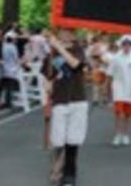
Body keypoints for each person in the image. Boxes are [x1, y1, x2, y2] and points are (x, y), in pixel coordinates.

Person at [43, 29, 88, 186]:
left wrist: (59, 47)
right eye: (63, 31)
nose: (65, 34)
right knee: (58, 139)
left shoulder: (78, 49)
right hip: (60, 99)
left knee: (73, 140)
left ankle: (69, 175)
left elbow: (75, 65)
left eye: (69, 31)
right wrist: (47, 84)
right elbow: (47, 75)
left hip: (77, 98)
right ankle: (57, 165)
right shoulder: (51, 53)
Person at [107, 39, 131, 147]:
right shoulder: (116, 58)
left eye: (128, 45)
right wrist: (107, 88)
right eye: (124, 45)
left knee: (128, 114)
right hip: (119, 88)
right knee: (118, 113)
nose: (126, 47)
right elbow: (110, 74)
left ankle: (125, 134)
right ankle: (117, 135)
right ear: (122, 46)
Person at [0, 33, 20, 109]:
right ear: (13, 40)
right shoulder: (13, 47)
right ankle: (8, 102)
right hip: (11, 69)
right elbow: (16, 58)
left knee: (0, 86)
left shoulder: (2, 46)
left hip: (3, 68)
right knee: (9, 87)